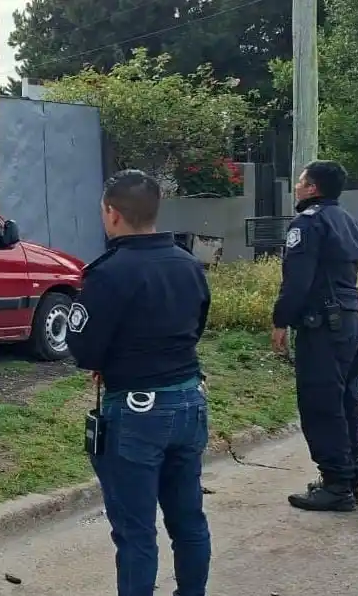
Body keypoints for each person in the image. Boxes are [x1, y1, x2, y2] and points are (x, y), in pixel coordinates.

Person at [67, 169, 212, 596]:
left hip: (136, 414)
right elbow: (194, 327)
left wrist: (111, 359)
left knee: (135, 533)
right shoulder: (188, 264)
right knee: (189, 520)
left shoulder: (109, 273)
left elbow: (85, 348)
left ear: (112, 213)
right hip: (189, 402)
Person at [272, 160, 358, 512]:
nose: (296, 187)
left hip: (322, 326)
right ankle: (349, 476)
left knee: (321, 404)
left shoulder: (308, 223)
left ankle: (336, 485)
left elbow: (298, 279)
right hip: (350, 322)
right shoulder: (349, 221)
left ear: (313, 188)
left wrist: (281, 320)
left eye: (300, 181)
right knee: (346, 402)